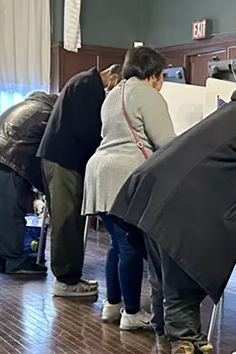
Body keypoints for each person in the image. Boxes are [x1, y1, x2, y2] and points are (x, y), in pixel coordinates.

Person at [108, 80, 236, 354]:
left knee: (162, 277)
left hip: (153, 191)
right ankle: (184, 341)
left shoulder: (235, 109)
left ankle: (167, 337)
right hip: (181, 203)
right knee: (182, 274)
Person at [82, 47, 175, 330]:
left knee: (117, 244)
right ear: (154, 75)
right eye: (162, 76)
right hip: (124, 175)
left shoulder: (113, 94)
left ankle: (113, 305)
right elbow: (167, 143)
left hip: (99, 170)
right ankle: (132, 313)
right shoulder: (148, 94)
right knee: (130, 246)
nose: (162, 82)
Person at [37, 64, 122, 297]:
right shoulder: (89, 87)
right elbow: (90, 132)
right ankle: (65, 281)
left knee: (71, 220)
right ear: (113, 79)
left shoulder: (83, 81)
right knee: (66, 222)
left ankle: (71, 278)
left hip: (61, 159)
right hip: (63, 161)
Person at [0, 92, 57, 275]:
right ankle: (16, 262)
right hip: (6, 160)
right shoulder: (49, 114)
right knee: (9, 214)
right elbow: (48, 154)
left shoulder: (24, 107)